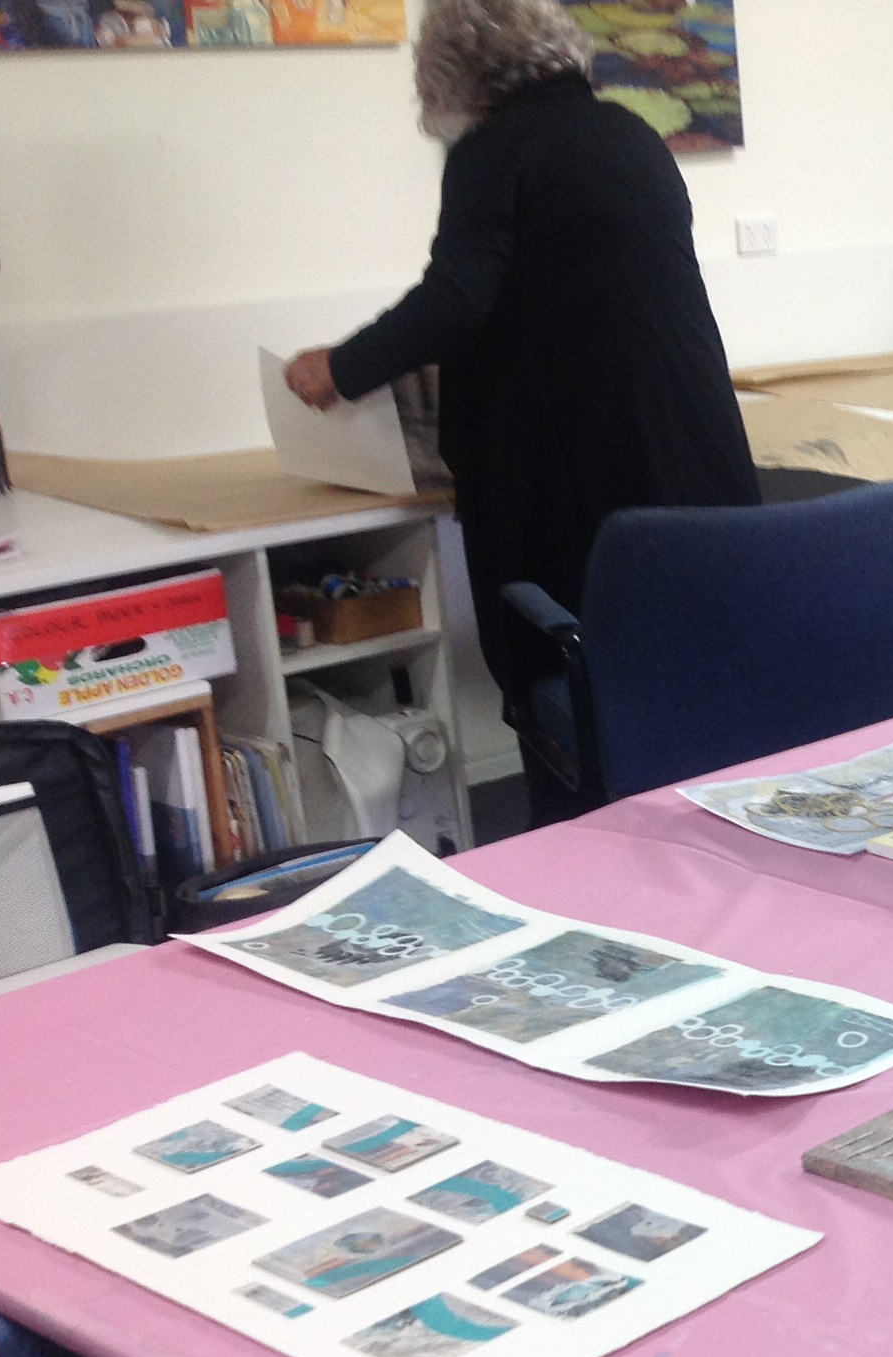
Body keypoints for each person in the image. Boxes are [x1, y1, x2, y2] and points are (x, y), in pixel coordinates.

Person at [285, 0, 758, 825]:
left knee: (573, 691)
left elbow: (459, 297)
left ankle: (581, 854)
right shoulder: (632, 137)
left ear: (454, 73)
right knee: (687, 683)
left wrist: (342, 368)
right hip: (691, 463)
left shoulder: (495, 151)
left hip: (576, 484)